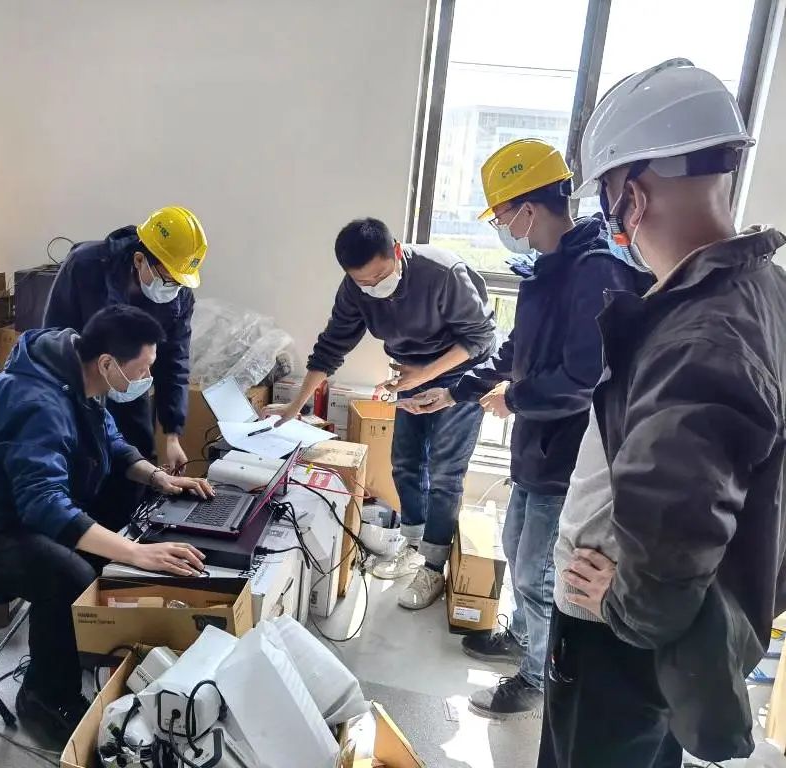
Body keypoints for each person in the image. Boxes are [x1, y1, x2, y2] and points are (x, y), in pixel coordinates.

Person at [539, 59, 786, 767]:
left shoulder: (698, 338)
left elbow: (675, 517)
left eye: (607, 197)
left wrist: (627, 605)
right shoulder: (760, 288)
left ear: (634, 196)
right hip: (673, 637)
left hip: (616, 638)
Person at [405, 139, 648, 719]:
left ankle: (538, 676)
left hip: (570, 454)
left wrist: (513, 398)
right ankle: (524, 637)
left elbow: (584, 378)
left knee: (540, 569)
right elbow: (518, 348)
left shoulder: (595, 271)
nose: (503, 228)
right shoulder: (553, 268)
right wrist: (457, 389)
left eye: (502, 216)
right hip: (539, 447)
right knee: (518, 548)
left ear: (529, 210)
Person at [0, 305, 214, 745]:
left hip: (19, 509)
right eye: (143, 369)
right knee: (71, 575)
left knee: (116, 537)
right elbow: (43, 507)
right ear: (107, 364)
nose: (147, 378)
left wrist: (158, 478)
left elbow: (110, 440)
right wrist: (137, 553)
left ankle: (75, 651)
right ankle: (44, 695)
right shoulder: (36, 403)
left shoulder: (77, 375)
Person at [265, 217, 497, 609]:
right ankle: (413, 544)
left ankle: (433, 565)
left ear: (397, 251)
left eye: (380, 276)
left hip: (461, 373)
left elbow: (480, 337)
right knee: (405, 462)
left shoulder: (442, 273)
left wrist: (426, 375)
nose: (373, 287)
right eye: (363, 282)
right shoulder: (355, 289)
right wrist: (295, 404)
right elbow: (331, 346)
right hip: (411, 372)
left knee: (445, 471)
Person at [43, 206, 207, 526]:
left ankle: (123, 539)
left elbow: (174, 363)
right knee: (81, 471)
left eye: (179, 281)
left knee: (132, 468)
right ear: (139, 259)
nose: (173, 287)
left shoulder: (178, 296)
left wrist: (172, 433)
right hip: (78, 388)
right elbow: (53, 335)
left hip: (129, 390)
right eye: (167, 278)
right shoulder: (86, 266)